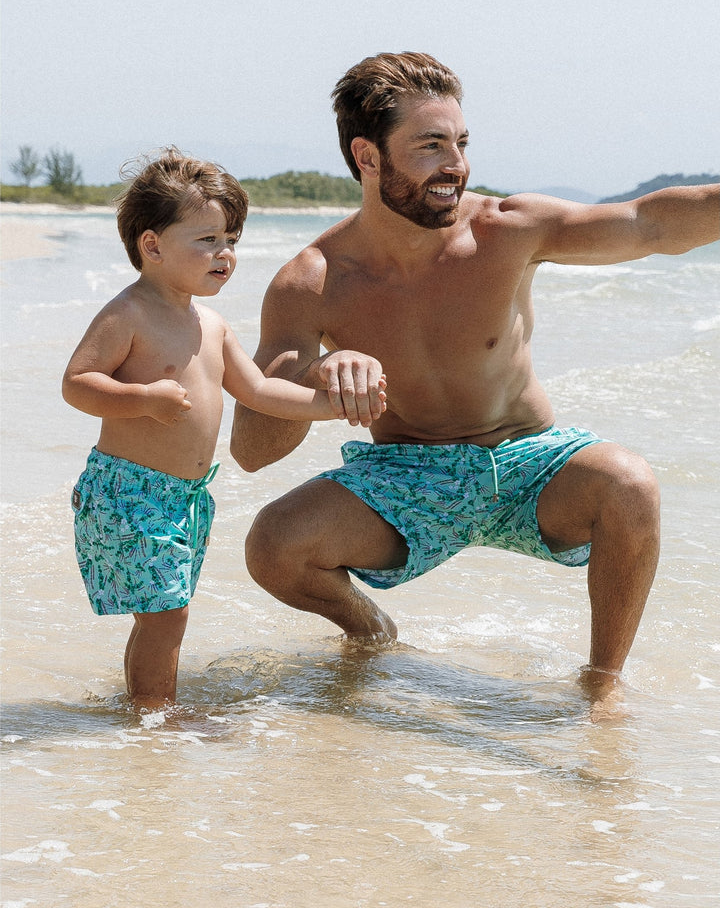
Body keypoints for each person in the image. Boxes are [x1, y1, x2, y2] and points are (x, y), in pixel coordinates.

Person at [230, 52, 719, 710]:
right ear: (368, 157)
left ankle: (602, 687)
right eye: (431, 146)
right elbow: (253, 449)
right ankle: (371, 632)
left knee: (629, 485)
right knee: (274, 545)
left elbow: (652, 224)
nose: (455, 164)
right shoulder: (313, 280)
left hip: (528, 461)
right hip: (407, 474)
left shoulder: (506, 230)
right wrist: (320, 376)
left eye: (460, 143)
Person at [62, 147, 387, 711]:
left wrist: (330, 405)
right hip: (129, 491)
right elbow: (77, 382)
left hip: (186, 497)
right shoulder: (129, 314)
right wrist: (140, 398)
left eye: (232, 239)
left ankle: (143, 705)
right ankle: (154, 714)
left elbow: (260, 392)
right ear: (152, 245)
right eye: (208, 239)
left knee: (164, 609)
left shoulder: (211, 324)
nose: (225, 254)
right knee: (167, 613)